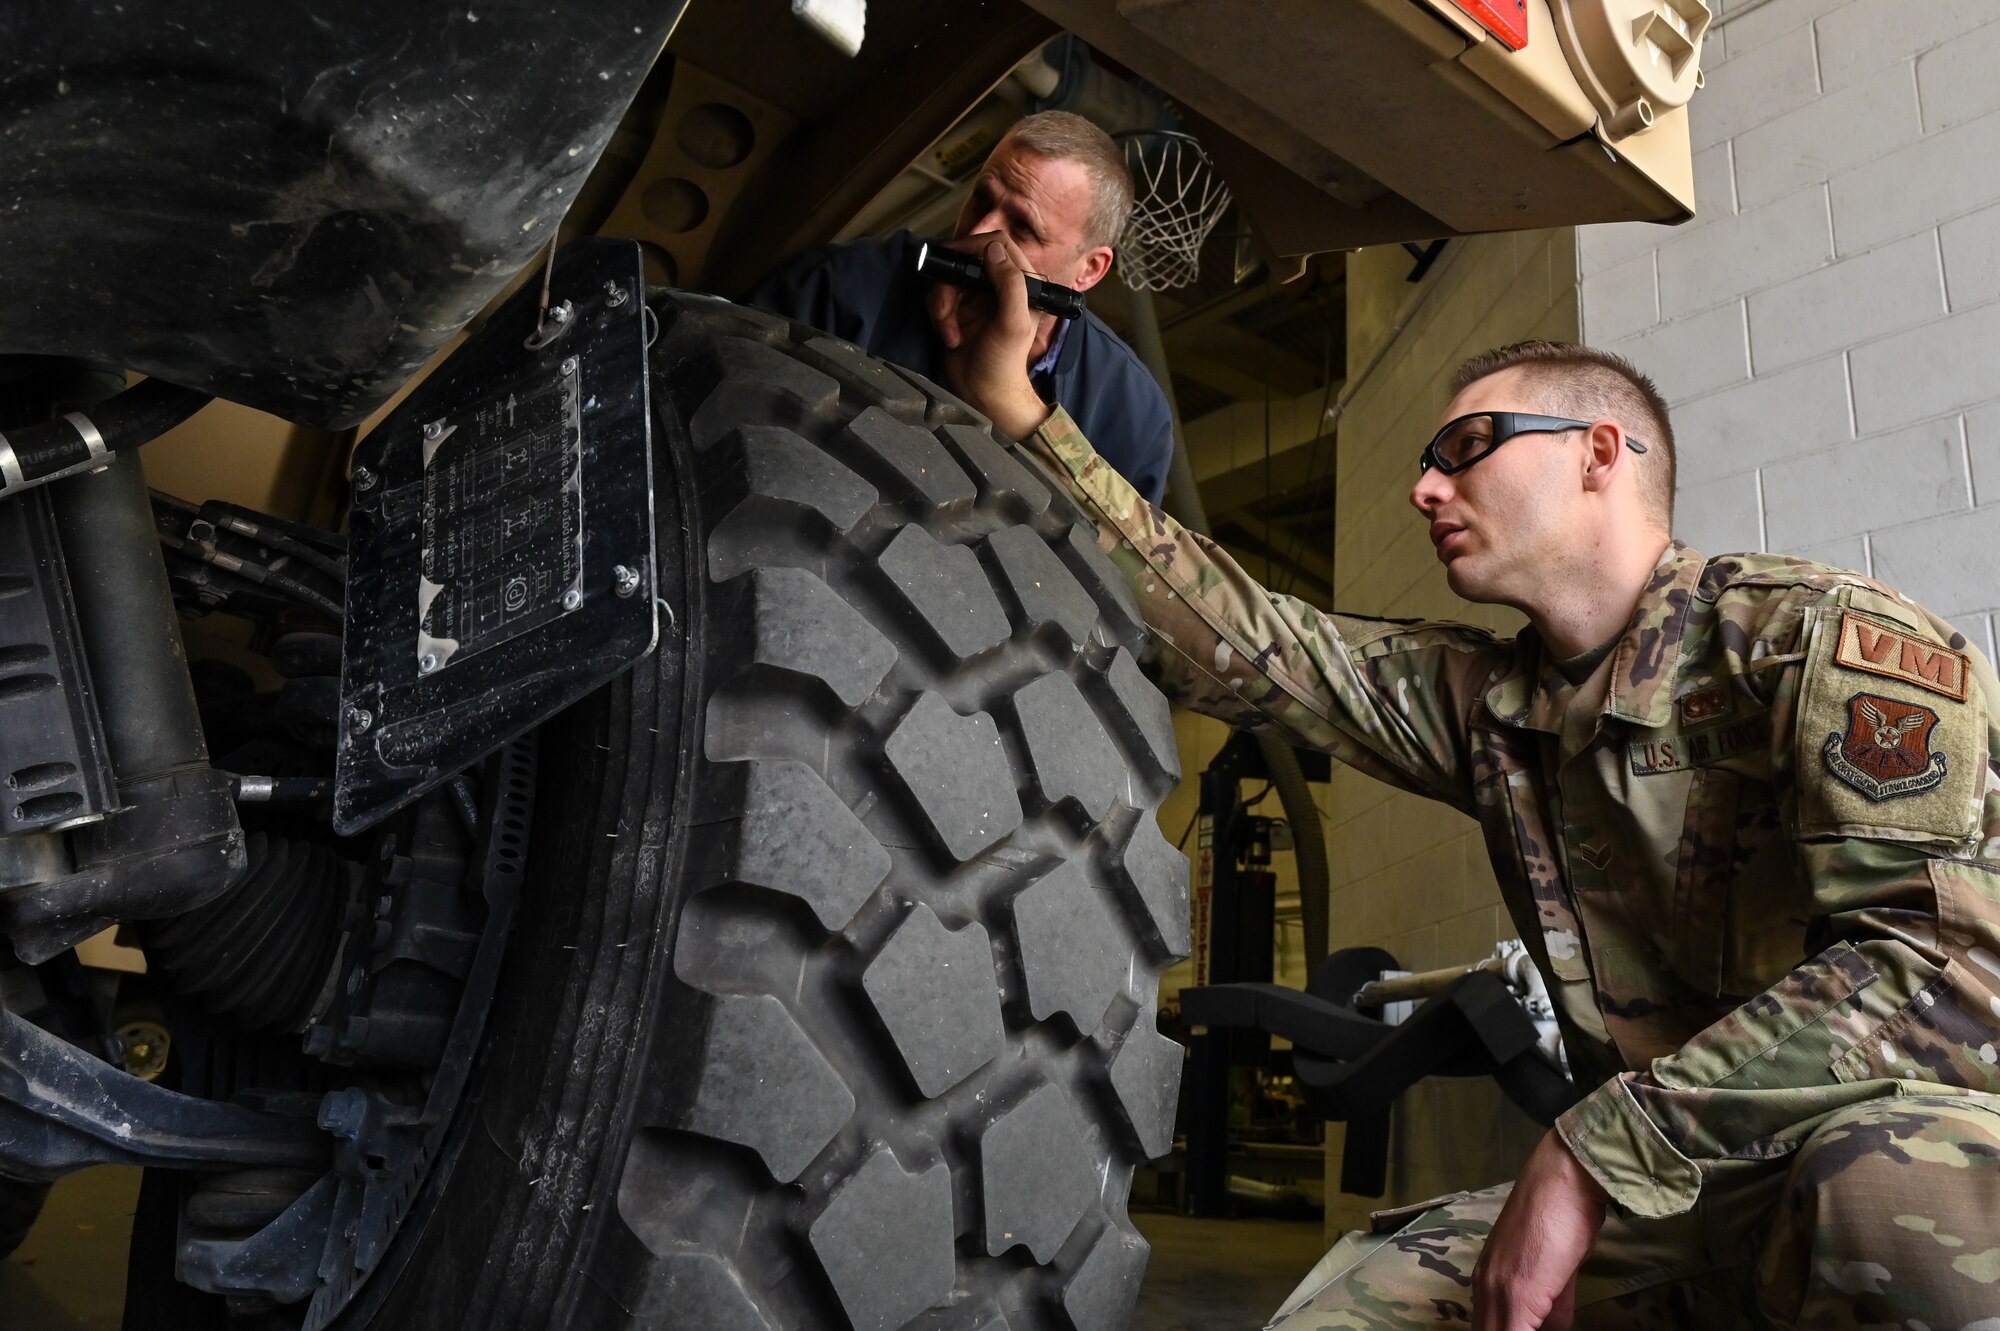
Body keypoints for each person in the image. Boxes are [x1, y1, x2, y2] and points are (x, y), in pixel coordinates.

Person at [955, 233, 2000, 1329]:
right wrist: (1027, 419)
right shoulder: (1492, 703)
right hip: (1674, 1196)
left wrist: (1595, 1148)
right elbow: (1243, 639)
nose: (1420, 487)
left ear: (1599, 451)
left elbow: (1948, 970)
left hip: (1903, 1155)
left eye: (1466, 446)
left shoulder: (1815, 644)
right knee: (1359, 1308)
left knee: (1871, 1183)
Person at [745, 110, 1176, 504]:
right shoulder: (842, 286)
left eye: (1023, 227)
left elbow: (1118, 573)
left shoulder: (1134, 415)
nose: (983, 230)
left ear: (1090, 269)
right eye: (983, 200)